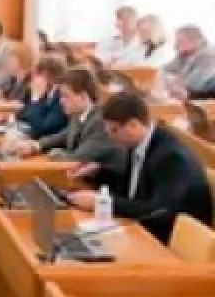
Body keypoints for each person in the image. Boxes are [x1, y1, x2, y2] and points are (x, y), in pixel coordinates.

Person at [68, 92, 213, 244]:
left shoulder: (170, 157)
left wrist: (102, 202)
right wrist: (97, 173)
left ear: (133, 125)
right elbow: (132, 189)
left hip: (169, 240)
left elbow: (157, 212)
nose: (111, 136)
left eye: (114, 130)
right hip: (144, 229)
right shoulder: (138, 143)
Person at [13, 67, 124, 176]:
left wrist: (54, 153)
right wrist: (35, 145)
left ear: (83, 97)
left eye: (66, 96)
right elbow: (63, 135)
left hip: (98, 184)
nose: (61, 101)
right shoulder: (78, 114)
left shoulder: (100, 123)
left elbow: (75, 160)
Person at [16, 55, 68, 137]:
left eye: (37, 75)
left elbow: (42, 127)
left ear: (48, 76)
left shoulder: (61, 97)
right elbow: (21, 116)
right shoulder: (44, 93)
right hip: (30, 137)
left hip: (48, 141)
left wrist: (36, 98)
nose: (34, 79)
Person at [162, 25, 215, 99]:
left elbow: (192, 85)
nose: (175, 45)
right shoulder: (185, 54)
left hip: (203, 100)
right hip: (188, 97)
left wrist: (175, 80)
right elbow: (161, 71)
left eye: (180, 41)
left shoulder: (208, 55)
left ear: (196, 41)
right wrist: (172, 79)